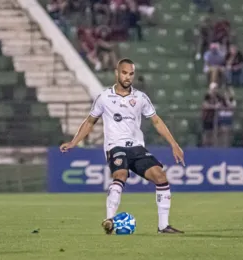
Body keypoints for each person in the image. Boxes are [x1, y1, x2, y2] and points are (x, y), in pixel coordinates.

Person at [60, 58, 185, 234]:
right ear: (117, 73)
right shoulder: (104, 97)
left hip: (136, 147)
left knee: (161, 176)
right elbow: (90, 121)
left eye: (131, 74)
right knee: (121, 174)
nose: (128, 77)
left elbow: (156, 121)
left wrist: (174, 144)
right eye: (124, 73)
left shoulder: (141, 98)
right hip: (115, 146)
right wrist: (74, 142)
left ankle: (163, 226)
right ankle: (109, 220)